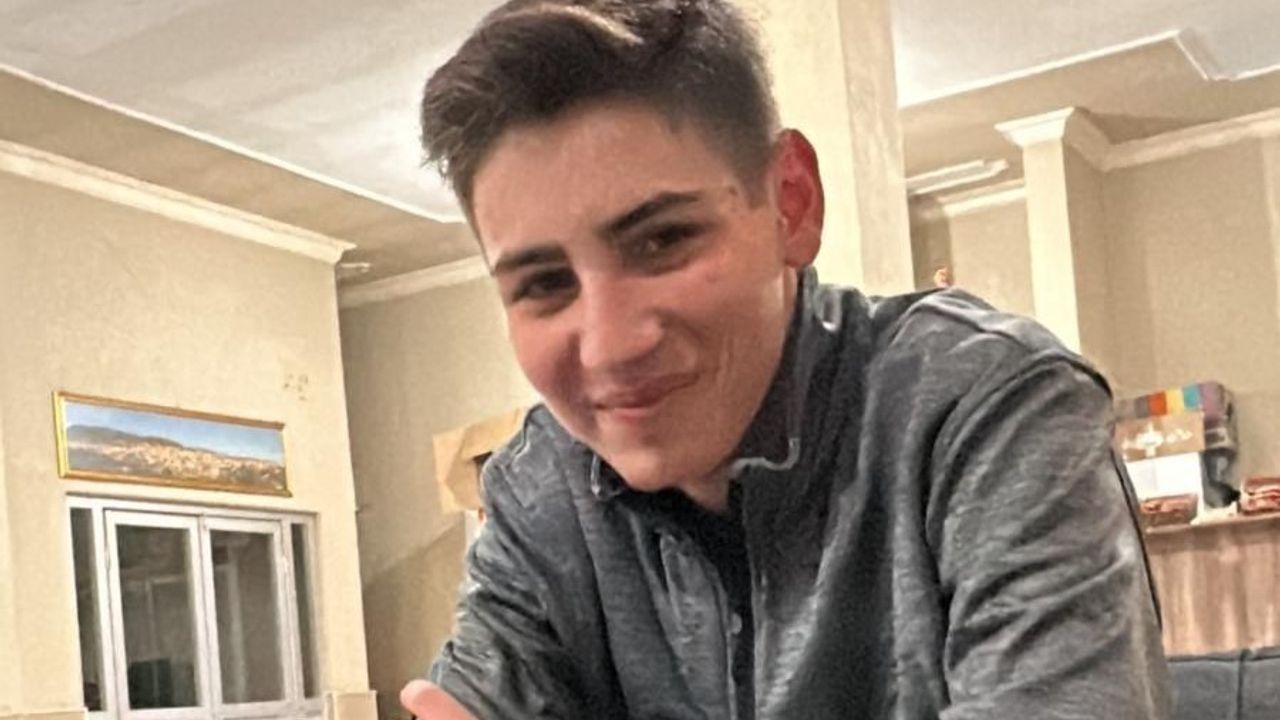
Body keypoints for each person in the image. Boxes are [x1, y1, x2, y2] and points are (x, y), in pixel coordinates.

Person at [401, 1, 1172, 717]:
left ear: (790, 204)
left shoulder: (990, 407)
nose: (610, 346)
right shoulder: (540, 485)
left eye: (663, 240)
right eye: (544, 283)